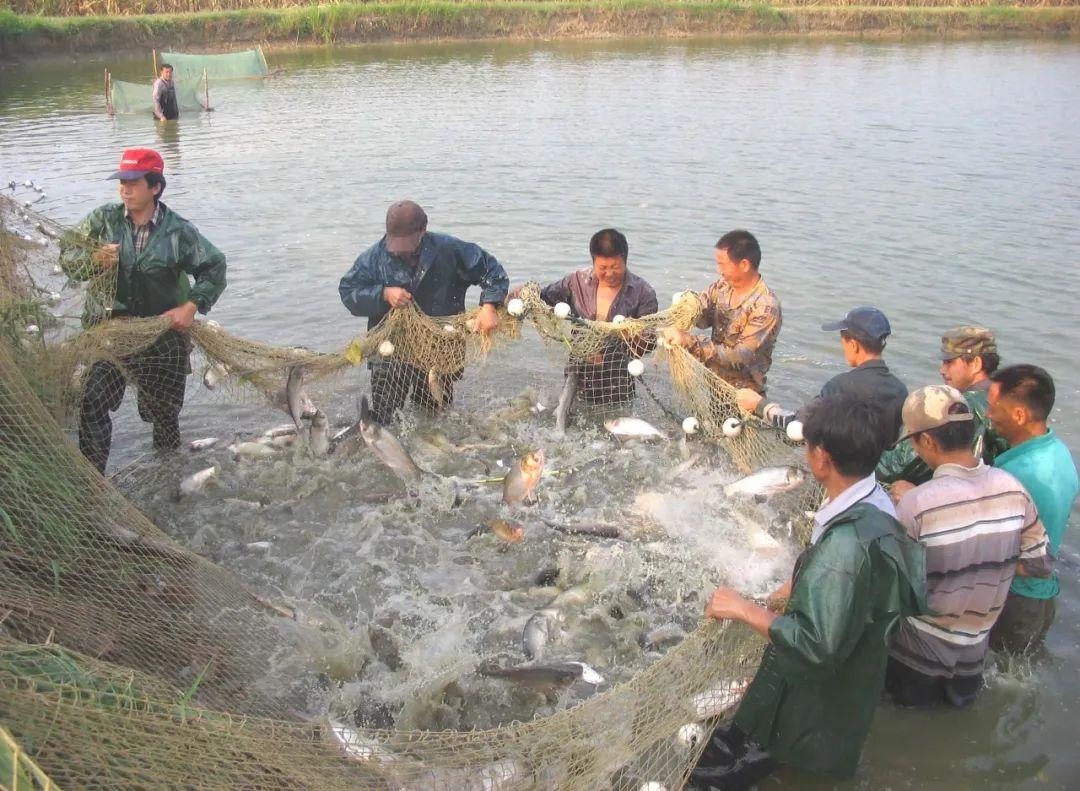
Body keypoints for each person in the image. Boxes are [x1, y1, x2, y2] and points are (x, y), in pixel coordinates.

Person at [689, 394, 926, 788]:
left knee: (715, 773)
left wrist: (745, 609)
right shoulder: (875, 504)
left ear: (822, 459)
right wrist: (791, 590)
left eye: (808, 448)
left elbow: (816, 646)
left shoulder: (846, 545)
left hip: (817, 698)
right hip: (854, 676)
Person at [59, 148, 227, 473]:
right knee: (93, 399)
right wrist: (92, 260)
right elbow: (67, 258)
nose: (124, 189)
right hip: (109, 334)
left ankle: (167, 481)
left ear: (155, 188)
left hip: (162, 336)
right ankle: (93, 482)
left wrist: (191, 307)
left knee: (163, 416)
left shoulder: (178, 232)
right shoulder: (102, 220)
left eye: (134, 183)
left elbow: (214, 267)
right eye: (122, 181)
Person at [886, 385, 1051, 709]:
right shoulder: (1013, 489)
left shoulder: (918, 504)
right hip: (974, 656)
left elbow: (892, 587)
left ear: (928, 441)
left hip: (916, 659)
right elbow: (1039, 566)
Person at [338, 200, 509, 424]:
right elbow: (348, 292)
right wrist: (383, 294)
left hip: (440, 348)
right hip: (391, 351)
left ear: (423, 231)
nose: (400, 249)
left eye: (406, 242)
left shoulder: (450, 249)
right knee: (385, 419)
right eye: (395, 243)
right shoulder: (373, 258)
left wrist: (489, 306)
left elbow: (492, 272)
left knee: (436, 416)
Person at [986, 365, 1078, 654]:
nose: (988, 415)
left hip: (1015, 601)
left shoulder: (1016, 475)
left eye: (993, 408)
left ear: (1019, 415)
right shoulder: (1060, 453)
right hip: (1044, 597)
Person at [736, 305, 907, 453]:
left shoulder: (840, 387)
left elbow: (798, 427)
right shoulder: (900, 391)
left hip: (844, 475)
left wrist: (760, 405)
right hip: (875, 480)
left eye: (843, 341)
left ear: (853, 345)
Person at [535, 228, 658, 405]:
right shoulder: (576, 282)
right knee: (568, 420)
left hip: (618, 382)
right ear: (593, 262)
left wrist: (610, 353)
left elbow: (648, 343)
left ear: (625, 260)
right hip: (577, 374)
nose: (609, 273)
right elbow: (545, 298)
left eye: (615, 267)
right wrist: (525, 294)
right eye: (602, 268)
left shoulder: (643, 293)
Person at [878, 326, 1008, 488]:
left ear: (975, 363)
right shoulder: (1007, 399)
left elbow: (897, 466)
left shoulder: (961, 408)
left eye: (949, 362)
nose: (942, 370)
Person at [661, 230, 781, 395]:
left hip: (745, 397)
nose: (719, 271)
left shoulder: (766, 306)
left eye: (722, 264)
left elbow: (741, 357)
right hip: (714, 387)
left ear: (744, 265)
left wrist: (689, 341)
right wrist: (686, 307)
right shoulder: (722, 287)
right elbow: (702, 315)